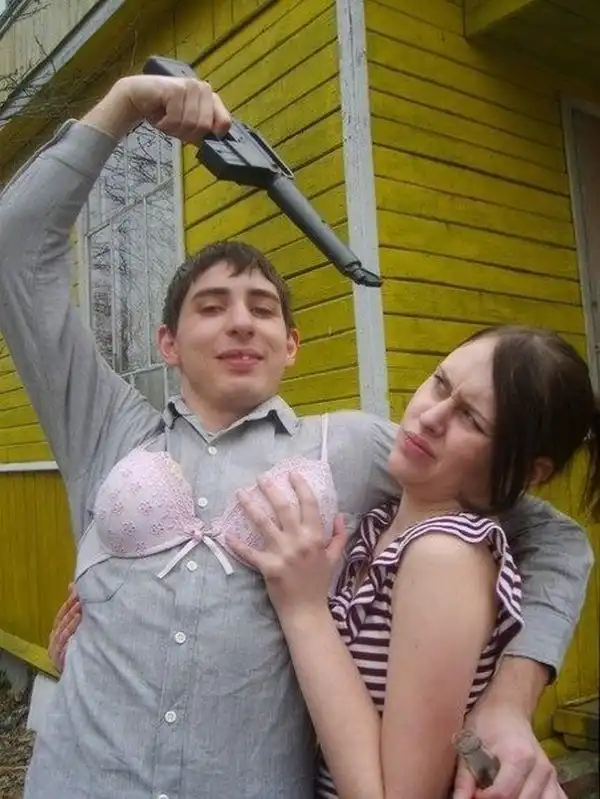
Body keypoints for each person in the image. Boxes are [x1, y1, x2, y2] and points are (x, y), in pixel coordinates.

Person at [0, 71, 592, 799]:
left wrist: (510, 696)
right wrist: (124, 103)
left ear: (292, 347)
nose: (240, 322)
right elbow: (15, 254)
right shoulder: (103, 424)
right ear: (167, 343)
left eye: (262, 309)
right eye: (211, 306)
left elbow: (557, 541)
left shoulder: (355, 448)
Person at [225, 324, 600, 798]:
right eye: (440, 383)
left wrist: (304, 610)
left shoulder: (446, 555)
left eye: (472, 419)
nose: (430, 416)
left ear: (529, 472)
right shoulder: (380, 526)